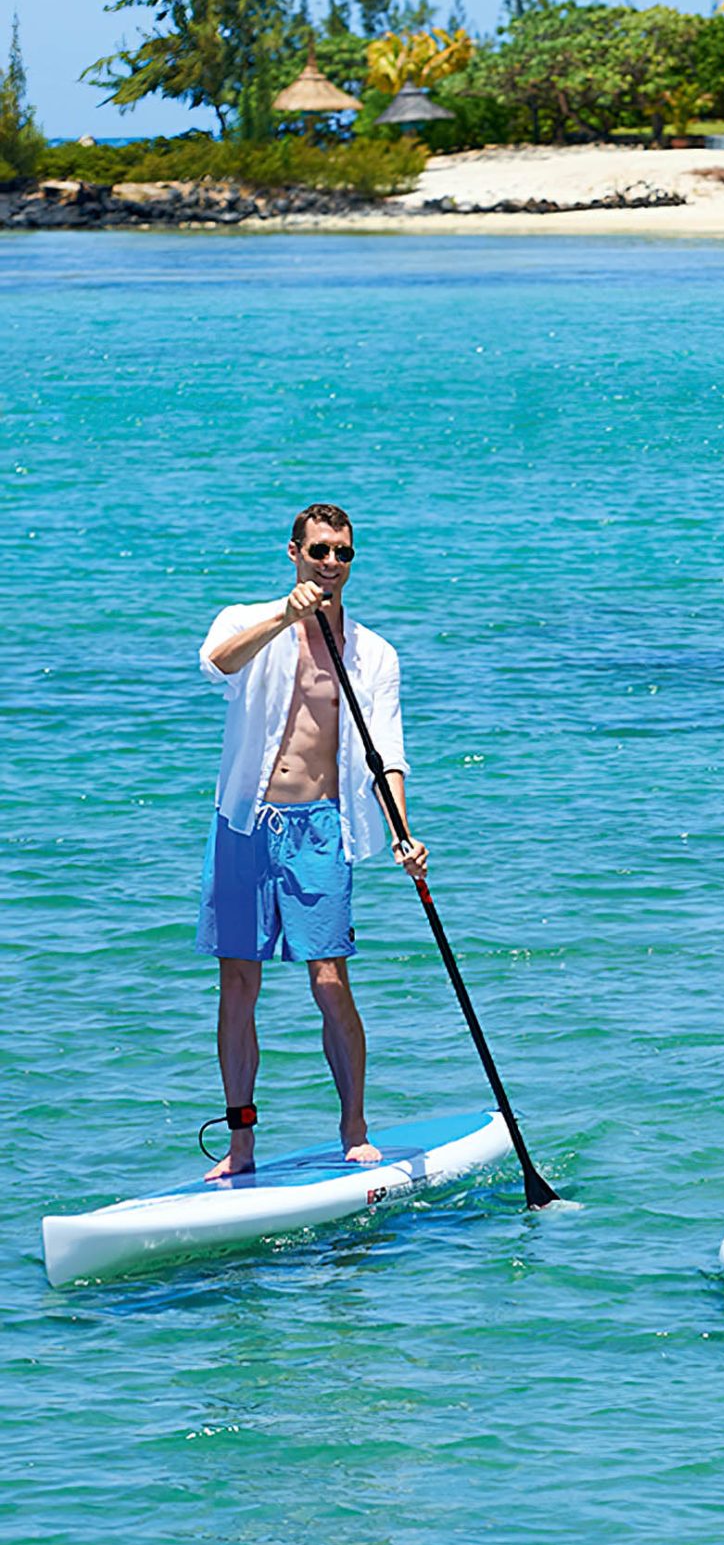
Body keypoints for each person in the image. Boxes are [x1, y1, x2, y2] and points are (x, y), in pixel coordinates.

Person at [196, 504, 427, 1180]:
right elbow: (217, 665)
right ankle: (241, 1146)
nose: (331, 564)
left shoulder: (373, 653)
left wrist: (403, 837)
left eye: (343, 554)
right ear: (294, 553)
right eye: (320, 551)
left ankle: (353, 1127)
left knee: (329, 979)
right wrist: (285, 618)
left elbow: (387, 754)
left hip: (319, 826)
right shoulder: (246, 619)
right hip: (243, 823)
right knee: (238, 984)